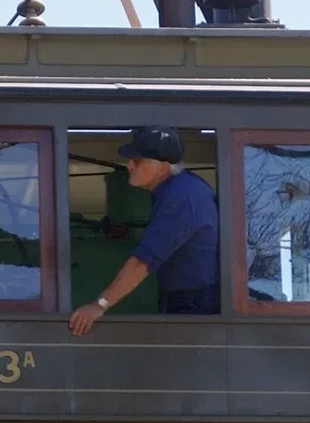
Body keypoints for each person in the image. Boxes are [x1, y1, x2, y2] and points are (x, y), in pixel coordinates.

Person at [68, 126, 219, 336]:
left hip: (197, 305)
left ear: (162, 167)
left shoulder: (181, 198)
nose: (129, 165)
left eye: (137, 161)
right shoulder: (180, 189)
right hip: (189, 300)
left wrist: (99, 305)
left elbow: (143, 262)